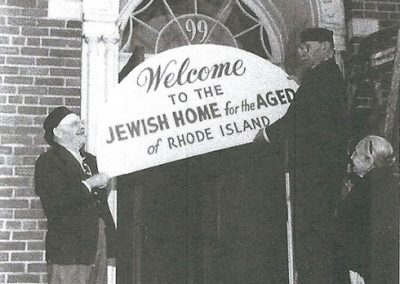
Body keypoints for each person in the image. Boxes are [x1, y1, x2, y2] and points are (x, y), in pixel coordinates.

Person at [254, 27, 348, 283]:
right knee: (321, 236)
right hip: (324, 174)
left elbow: (295, 121)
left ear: (326, 48)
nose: (300, 52)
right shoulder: (326, 78)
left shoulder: (320, 79)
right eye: (300, 47)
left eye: (307, 47)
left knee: (313, 237)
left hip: (315, 176)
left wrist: (265, 134)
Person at [34, 106, 117, 284]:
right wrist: (90, 183)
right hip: (70, 251)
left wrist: (112, 246)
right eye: (74, 123)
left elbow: (102, 206)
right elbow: (56, 202)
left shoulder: (91, 161)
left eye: (81, 122)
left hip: (97, 245)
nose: (81, 126)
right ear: (58, 132)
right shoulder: (48, 161)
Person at [336, 135, 398, 283]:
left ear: (369, 161)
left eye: (356, 153)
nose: (351, 157)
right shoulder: (392, 183)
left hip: (365, 272)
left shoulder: (363, 192)